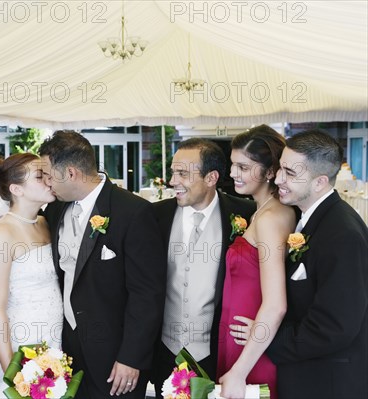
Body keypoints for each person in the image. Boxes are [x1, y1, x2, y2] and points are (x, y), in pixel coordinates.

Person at [40, 131, 166, 399]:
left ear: (71, 173)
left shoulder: (133, 212)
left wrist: (132, 357)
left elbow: (147, 294)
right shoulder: (54, 210)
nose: (46, 182)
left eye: (49, 175)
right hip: (67, 351)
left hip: (115, 358)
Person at [267, 130, 368, 399]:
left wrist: (266, 341)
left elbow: (334, 327)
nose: (278, 179)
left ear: (319, 182)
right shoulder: (310, 218)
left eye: (290, 172)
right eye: (280, 169)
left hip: (327, 383)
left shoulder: (342, 233)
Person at [151, 138, 255, 398]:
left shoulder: (247, 214)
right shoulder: (153, 216)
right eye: (173, 172)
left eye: (183, 173)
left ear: (211, 178)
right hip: (163, 351)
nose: (173, 180)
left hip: (215, 353)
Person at [216, 126, 295, 399]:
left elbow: (275, 304)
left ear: (270, 171)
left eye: (243, 166)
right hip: (239, 337)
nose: (232, 173)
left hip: (251, 348)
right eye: (232, 165)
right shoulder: (261, 212)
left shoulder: (272, 218)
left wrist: (239, 370)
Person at [0, 153, 63, 396]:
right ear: (17, 189)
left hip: (53, 334)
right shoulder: (0, 234)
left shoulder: (46, 223)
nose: (49, 180)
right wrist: (12, 374)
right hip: (19, 340)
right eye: (40, 176)